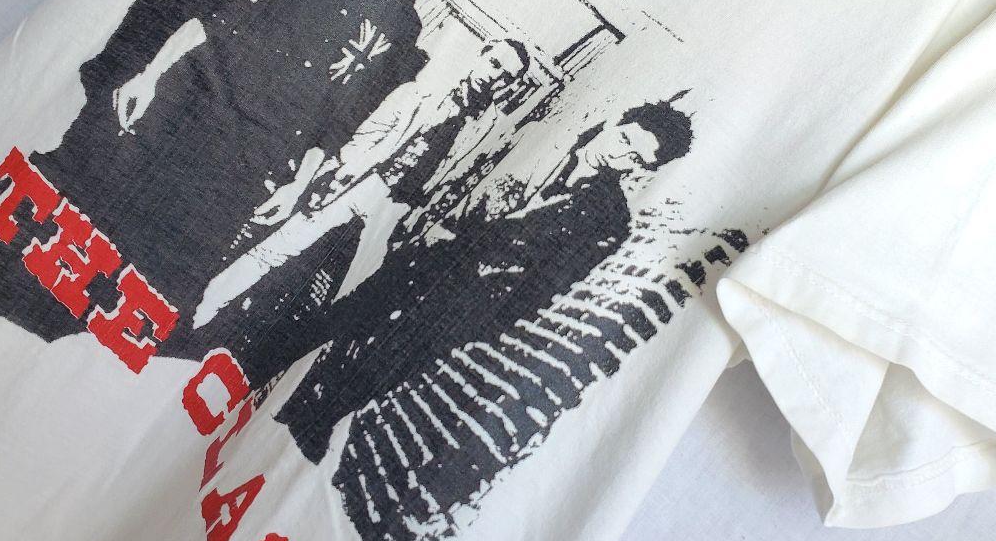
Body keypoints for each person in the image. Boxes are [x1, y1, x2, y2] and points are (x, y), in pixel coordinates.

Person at [0, 0, 458, 347]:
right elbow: (219, 14)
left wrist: (298, 186)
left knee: (149, 269)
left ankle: (53, 344)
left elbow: (343, 118)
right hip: (190, 103)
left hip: (246, 165)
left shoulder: (401, 29)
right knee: (86, 205)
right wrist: (151, 73)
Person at [274, 97, 695, 466]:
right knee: (350, 313)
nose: (619, 156)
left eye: (636, 159)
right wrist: (425, 221)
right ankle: (271, 364)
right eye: (625, 139)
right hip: (431, 250)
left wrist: (489, 319)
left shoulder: (610, 220)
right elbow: (472, 167)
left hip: (470, 297)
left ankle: (315, 421)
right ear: (617, 121)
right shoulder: (547, 131)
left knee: (395, 361)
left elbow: (552, 283)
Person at [186, 38, 532, 382]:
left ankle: (271, 372)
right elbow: (371, 133)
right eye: (495, 64)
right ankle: (200, 317)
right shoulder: (426, 88)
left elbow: (454, 181)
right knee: (278, 249)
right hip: (361, 181)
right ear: (482, 54)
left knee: (346, 296)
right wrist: (338, 172)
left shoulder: (488, 128)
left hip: (397, 210)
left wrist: (413, 224)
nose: (495, 76)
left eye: (506, 76)